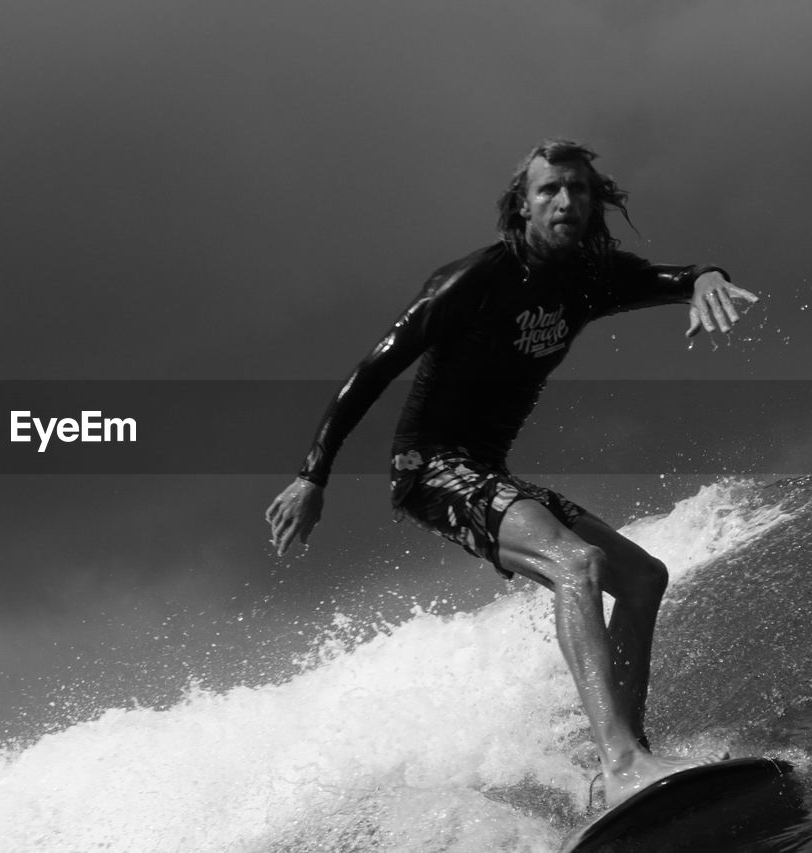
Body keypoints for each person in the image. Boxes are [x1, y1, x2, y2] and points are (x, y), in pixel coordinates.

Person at [264, 139, 759, 808]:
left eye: (578, 190)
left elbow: (676, 277)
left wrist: (705, 278)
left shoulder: (592, 277)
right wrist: (311, 475)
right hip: (431, 467)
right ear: (521, 205)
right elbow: (372, 370)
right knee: (575, 563)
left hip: (489, 471)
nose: (566, 201)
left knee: (642, 577)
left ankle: (623, 767)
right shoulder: (472, 281)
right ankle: (619, 764)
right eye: (550, 189)